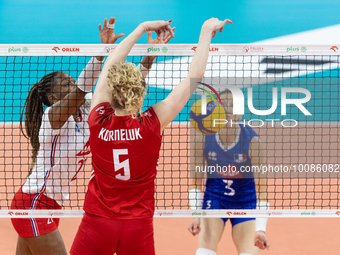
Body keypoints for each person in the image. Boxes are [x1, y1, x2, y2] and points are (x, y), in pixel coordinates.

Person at [70, 17, 232, 255]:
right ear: (141, 94)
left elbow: (110, 65)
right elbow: (194, 76)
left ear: (112, 91)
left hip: (98, 222)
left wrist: (142, 27)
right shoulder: (152, 124)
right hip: (137, 225)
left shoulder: (97, 120)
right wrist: (205, 30)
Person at [10, 17, 125, 255]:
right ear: (52, 98)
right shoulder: (53, 118)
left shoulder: (87, 110)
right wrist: (99, 54)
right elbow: (83, 88)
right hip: (34, 203)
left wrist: (146, 60)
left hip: (52, 205)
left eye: (72, 82)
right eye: (65, 85)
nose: (72, 86)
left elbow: (116, 92)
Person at [188, 89, 270, 255]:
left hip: (245, 202)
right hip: (215, 199)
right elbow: (195, 182)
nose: (228, 109)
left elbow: (262, 190)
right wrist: (196, 215)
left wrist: (261, 229)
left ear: (240, 113)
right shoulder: (202, 139)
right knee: (204, 252)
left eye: (233, 105)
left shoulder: (252, 141)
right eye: (223, 104)